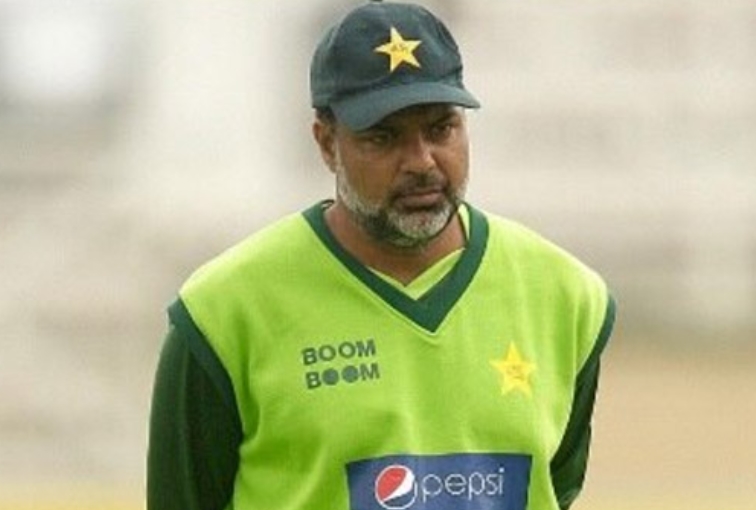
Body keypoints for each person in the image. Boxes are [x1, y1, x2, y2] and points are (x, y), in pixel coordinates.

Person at [146, 1, 616, 509]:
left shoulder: (567, 297)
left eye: (441, 129)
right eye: (383, 137)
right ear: (327, 143)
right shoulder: (222, 313)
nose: (421, 162)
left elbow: (554, 487)